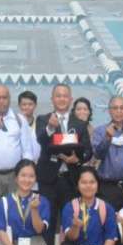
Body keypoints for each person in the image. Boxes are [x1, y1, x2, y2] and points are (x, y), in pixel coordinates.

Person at [57, 166, 117, 245]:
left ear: (97, 184)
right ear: (78, 185)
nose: (88, 186)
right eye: (84, 182)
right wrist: (76, 226)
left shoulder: (106, 208)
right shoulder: (70, 206)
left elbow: (111, 237)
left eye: (92, 182)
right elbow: (70, 237)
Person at [35, 84, 90, 224]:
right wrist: (50, 127)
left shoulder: (80, 123)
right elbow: (41, 140)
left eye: (65, 96)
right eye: (58, 96)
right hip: (48, 180)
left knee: (71, 222)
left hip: (71, 180)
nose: (62, 99)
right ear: (52, 99)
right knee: (47, 221)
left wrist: (77, 160)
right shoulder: (43, 119)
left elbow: (88, 151)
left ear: (71, 99)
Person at [16, 91, 41, 161]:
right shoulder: (14, 122)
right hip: (19, 163)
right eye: (24, 104)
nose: (27, 107)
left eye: (30, 104)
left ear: (35, 105)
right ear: (19, 105)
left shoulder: (40, 122)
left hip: (37, 163)